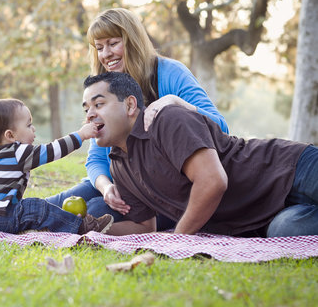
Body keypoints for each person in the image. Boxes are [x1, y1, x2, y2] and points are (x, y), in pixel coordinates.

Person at [46, 8, 228, 233]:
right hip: (121, 184)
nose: (106, 54)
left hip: (163, 190)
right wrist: (106, 187)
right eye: (99, 47)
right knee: (51, 207)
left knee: (93, 211)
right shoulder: (106, 89)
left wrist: (174, 102)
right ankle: (1, 215)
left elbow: (220, 127)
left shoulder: (169, 73)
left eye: (113, 43)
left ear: (132, 40)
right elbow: (96, 159)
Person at [81, 71, 318, 237]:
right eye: (86, 109)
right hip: (268, 218)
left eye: (98, 104)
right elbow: (144, 227)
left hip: (291, 169)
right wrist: (88, 228)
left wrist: (178, 238)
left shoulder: (167, 119)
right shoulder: (119, 165)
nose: (90, 114)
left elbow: (212, 181)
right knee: (287, 231)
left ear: (130, 105)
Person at [0, 98, 114, 235]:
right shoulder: (17, 152)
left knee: (26, 209)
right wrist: (81, 135)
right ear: (10, 136)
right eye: (28, 125)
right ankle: (80, 226)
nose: (34, 129)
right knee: (35, 206)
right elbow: (52, 150)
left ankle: (41, 227)